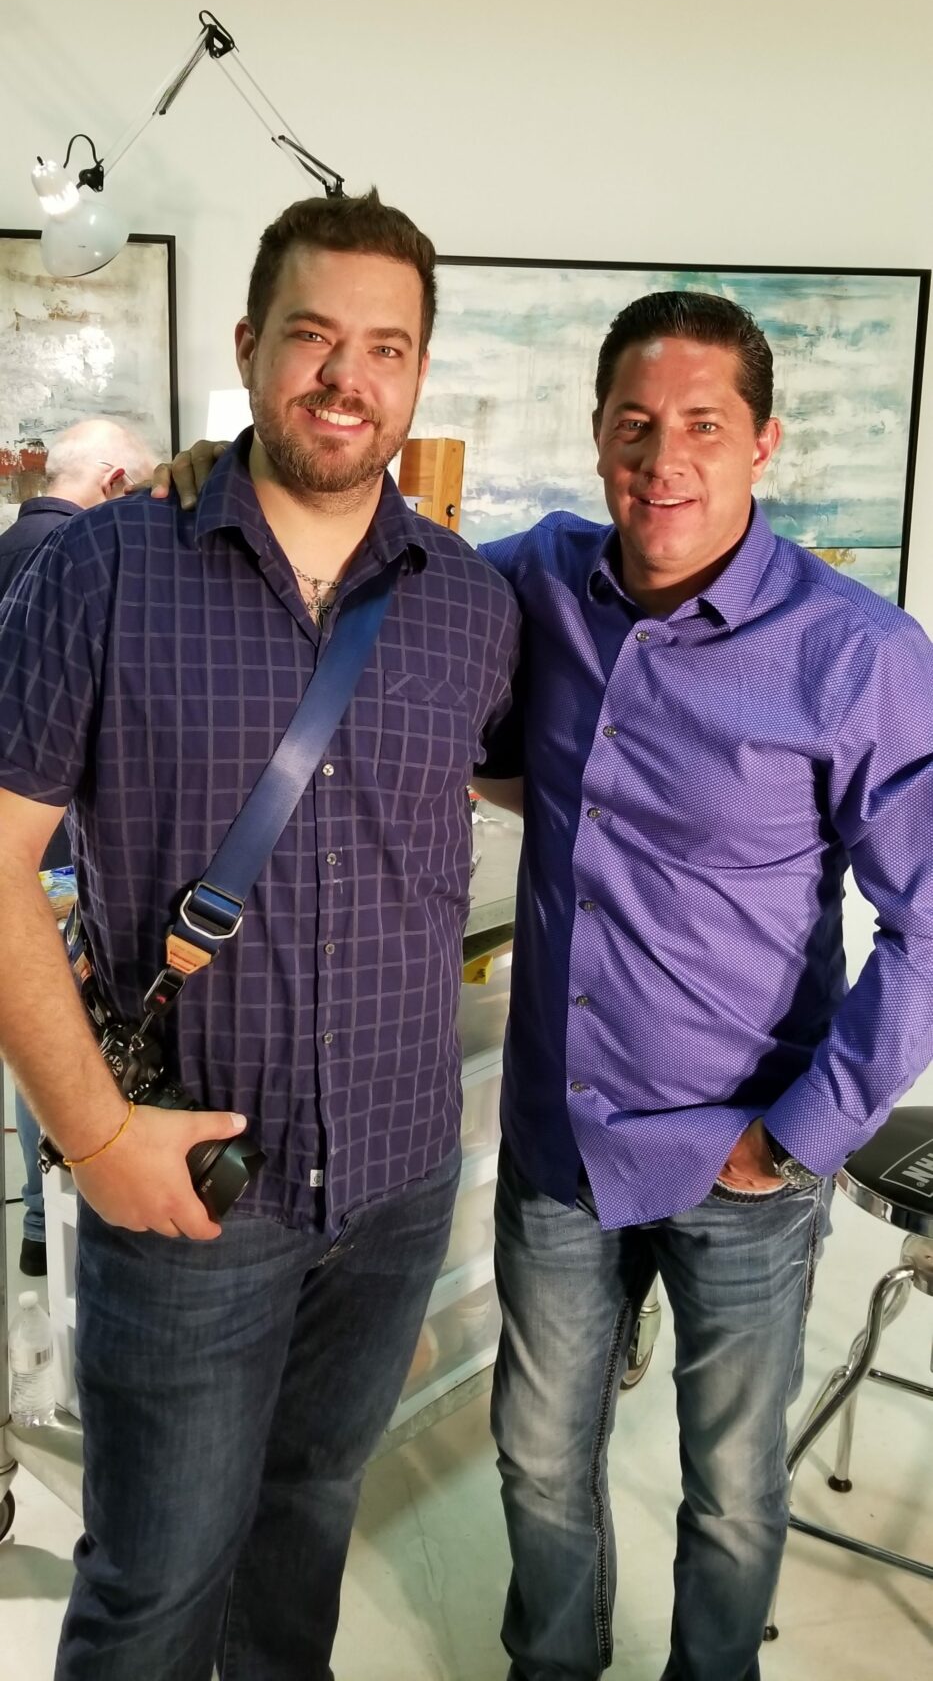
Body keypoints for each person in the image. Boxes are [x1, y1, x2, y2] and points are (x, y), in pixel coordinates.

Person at [165, 287, 933, 1681]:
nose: (663, 459)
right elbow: (384, 550)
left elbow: (929, 922)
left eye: (703, 425)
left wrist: (797, 1137)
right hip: (560, 1145)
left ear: (764, 442)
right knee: (537, 1455)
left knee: (732, 1483)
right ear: (595, 436)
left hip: (742, 1154)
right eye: (634, 424)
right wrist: (224, 481)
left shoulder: (857, 655)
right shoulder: (536, 579)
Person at [0, 190, 518, 1681]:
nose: (347, 378)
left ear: (418, 373)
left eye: (386, 347)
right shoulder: (104, 571)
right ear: (249, 346)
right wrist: (96, 1137)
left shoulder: (471, 605)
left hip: (395, 1185)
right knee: (155, 1586)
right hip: (188, 1186)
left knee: (304, 1534)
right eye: (313, 336)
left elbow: (510, 783)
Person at [0, 416, 159, 1277]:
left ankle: (35, 1221)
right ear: (114, 483)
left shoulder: (6, 550)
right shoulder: (86, 566)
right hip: (57, 851)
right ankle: (47, 1216)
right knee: (65, 1026)